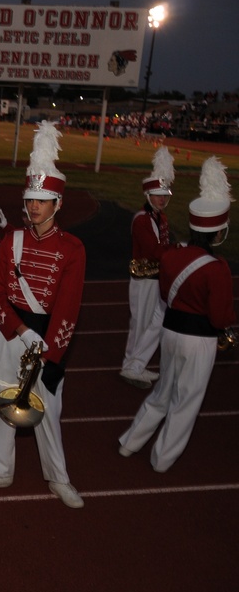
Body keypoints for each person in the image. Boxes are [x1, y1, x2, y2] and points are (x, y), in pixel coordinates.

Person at [0, 121, 86, 509]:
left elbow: (68, 308)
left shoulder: (73, 249)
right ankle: (2, 469)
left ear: (58, 204)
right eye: (30, 199)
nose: (34, 206)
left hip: (47, 337)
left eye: (42, 200)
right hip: (9, 333)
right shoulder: (11, 241)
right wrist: (19, 330)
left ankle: (59, 477)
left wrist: (51, 352)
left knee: (48, 410)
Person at [119, 157, 235, 472]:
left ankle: (130, 441)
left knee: (162, 392)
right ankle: (162, 458)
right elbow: (221, 315)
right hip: (199, 341)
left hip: (170, 333)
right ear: (218, 233)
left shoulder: (173, 258)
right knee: (186, 402)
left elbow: (163, 293)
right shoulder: (218, 268)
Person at [119, 147, 177, 388]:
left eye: (165, 195)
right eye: (158, 194)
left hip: (157, 278)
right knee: (141, 323)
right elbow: (154, 251)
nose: (162, 199)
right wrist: (178, 252)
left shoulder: (161, 218)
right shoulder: (142, 220)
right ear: (148, 195)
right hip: (144, 280)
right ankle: (130, 365)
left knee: (156, 323)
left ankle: (136, 364)